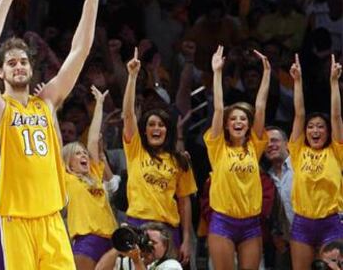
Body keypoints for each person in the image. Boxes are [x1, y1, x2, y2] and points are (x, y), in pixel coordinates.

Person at [0, 0, 99, 269]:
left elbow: (79, 53)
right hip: (12, 222)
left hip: (52, 219)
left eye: (24, 61)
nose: (19, 66)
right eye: (11, 63)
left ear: (32, 68)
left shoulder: (46, 102)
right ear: (1, 73)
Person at [122, 48, 197, 265]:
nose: (156, 128)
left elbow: (184, 203)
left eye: (161, 125)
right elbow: (128, 115)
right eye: (151, 125)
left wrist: (186, 240)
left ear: (168, 131)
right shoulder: (136, 150)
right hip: (137, 223)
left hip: (167, 229)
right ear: (144, 131)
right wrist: (132, 77)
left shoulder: (179, 160)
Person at [204, 45, 271, 269]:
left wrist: (267, 74)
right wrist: (217, 73)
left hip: (251, 223)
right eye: (233, 119)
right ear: (226, 125)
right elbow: (218, 108)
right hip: (223, 221)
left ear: (248, 124)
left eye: (243, 119)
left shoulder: (255, 146)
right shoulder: (217, 146)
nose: (238, 122)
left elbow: (260, 107)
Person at [288, 54, 343, 270]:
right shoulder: (297, 150)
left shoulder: (336, 151)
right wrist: (297, 81)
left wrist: (333, 82)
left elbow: (336, 116)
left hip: (331, 223)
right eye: (311, 127)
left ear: (328, 132)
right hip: (302, 223)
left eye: (321, 126)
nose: (315, 130)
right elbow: (299, 114)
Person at [63, 85, 117, 270]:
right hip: (86, 240)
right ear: (67, 162)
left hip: (111, 240)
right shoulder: (67, 178)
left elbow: (93, 139)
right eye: (77, 154)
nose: (84, 156)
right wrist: (51, 108)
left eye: (84, 153)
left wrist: (99, 104)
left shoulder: (93, 174)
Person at [264, 126, 294, 269]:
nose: (270, 145)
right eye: (266, 143)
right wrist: (275, 235)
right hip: (283, 243)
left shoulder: (302, 165)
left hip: (316, 234)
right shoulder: (265, 177)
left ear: (287, 143)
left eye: (275, 140)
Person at [96, 222, 182, 270]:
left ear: (165, 245)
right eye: (145, 240)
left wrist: (137, 261)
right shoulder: (130, 260)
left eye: (153, 242)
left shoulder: (172, 265)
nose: (147, 245)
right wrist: (120, 243)